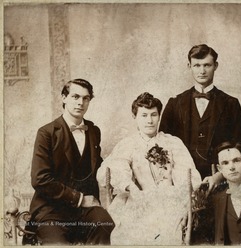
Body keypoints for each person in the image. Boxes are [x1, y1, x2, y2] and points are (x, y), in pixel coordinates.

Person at [96, 92, 202, 245]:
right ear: (135, 117)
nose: (149, 121)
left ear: (159, 116)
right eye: (144, 115)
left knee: (167, 232)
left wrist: (179, 194)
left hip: (169, 199)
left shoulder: (173, 142)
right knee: (128, 232)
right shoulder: (128, 144)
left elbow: (188, 174)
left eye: (154, 115)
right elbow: (111, 169)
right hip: (139, 199)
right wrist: (130, 187)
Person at [29, 79, 115, 245]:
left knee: (106, 225)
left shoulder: (93, 131)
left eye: (86, 98)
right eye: (75, 97)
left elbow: (97, 167)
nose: (80, 103)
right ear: (64, 98)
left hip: (84, 211)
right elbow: (40, 179)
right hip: (51, 211)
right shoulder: (46, 133)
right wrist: (80, 199)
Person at [159, 44, 241, 181]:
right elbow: (162, 145)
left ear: (216, 66)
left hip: (220, 180)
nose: (202, 71)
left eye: (207, 65)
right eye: (197, 65)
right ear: (189, 66)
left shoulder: (231, 104)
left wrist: (219, 176)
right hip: (182, 180)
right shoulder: (175, 103)